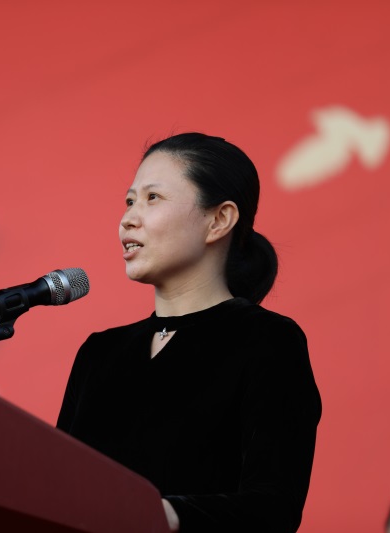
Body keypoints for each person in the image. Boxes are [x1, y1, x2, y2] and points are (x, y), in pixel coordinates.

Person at [57, 133, 321, 532]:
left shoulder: (267, 340)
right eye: (129, 201)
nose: (128, 219)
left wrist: (158, 512)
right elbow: (59, 488)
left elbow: (274, 507)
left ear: (219, 220)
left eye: (152, 198)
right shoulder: (100, 352)